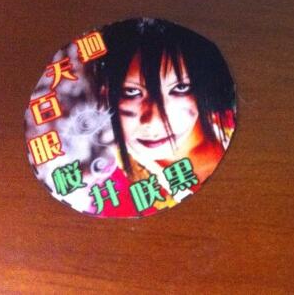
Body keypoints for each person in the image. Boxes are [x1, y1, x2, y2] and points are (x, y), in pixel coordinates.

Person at [92, 18, 235, 215]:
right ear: (105, 95)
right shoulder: (109, 190)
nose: (154, 120)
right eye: (131, 92)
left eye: (180, 88)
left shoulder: (234, 124)